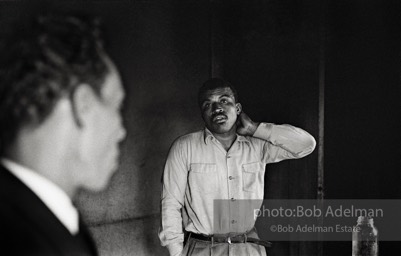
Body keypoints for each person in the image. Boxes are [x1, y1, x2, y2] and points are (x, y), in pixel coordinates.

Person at [0, 14, 126, 255]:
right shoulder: (25, 244)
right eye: (117, 106)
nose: (121, 131)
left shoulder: (48, 218)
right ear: (84, 105)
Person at [159, 78, 316, 256]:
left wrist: (254, 128)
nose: (217, 108)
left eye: (224, 101)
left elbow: (306, 144)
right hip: (203, 248)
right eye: (207, 104)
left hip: (248, 247)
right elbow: (171, 203)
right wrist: (176, 252)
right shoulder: (184, 146)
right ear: (202, 114)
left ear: (238, 109)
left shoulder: (257, 145)